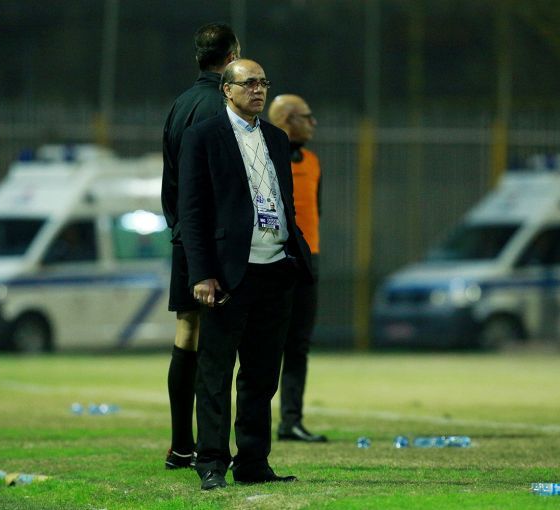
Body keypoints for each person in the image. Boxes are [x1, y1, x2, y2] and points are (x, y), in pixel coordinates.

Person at [178, 59, 313, 490]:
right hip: (228, 273)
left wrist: (295, 255)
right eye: (249, 83)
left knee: (261, 375)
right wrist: (202, 273)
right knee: (215, 373)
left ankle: (253, 462)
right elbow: (192, 211)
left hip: (276, 269)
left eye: (263, 83)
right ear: (227, 89)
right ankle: (212, 463)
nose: (258, 90)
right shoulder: (204, 136)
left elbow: (282, 200)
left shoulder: (276, 137)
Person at [160, 22, 240, 470]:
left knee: (186, 334)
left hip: (184, 236)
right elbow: (219, 184)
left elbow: (172, 178)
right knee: (219, 342)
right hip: (215, 241)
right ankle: (213, 446)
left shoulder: (179, 104)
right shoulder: (221, 107)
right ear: (232, 58)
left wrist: (180, 229)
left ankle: (180, 445)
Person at [267, 95, 327, 443]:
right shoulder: (265, 159)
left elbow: (315, 211)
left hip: (308, 260)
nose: (313, 122)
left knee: (299, 343)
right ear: (289, 119)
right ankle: (253, 419)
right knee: (265, 343)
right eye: (307, 116)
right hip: (273, 259)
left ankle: (291, 421)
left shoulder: (313, 162)